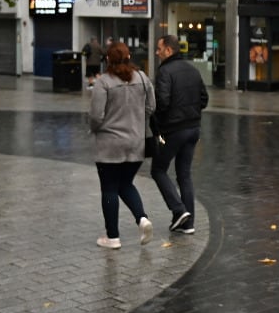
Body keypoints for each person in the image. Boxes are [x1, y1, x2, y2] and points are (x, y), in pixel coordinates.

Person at [88, 42, 156, 249]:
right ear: (129, 57)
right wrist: (135, 120)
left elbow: (96, 116)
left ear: (108, 59)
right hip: (136, 142)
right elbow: (151, 107)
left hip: (110, 144)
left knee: (109, 188)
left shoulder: (104, 82)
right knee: (126, 183)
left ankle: (113, 237)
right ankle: (142, 219)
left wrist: (96, 127)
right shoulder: (143, 78)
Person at [151, 33, 209, 235]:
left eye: (159, 49)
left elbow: (162, 103)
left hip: (173, 130)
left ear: (168, 50)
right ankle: (188, 224)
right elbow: (204, 98)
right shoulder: (192, 69)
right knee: (184, 174)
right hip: (193, 128)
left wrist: (158, 121)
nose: (156, 53)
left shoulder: (165, 71)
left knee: (158, 170)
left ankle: (178, 210)